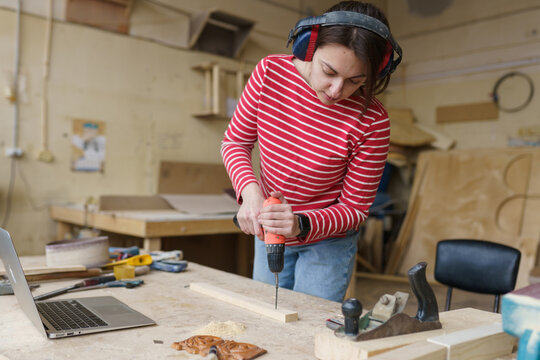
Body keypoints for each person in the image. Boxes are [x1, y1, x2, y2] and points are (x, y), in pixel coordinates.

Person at [221, 1, 401, 302]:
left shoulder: (373, 120)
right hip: (271, 227)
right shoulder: (269, 74)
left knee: (309, 325)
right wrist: (250, 194)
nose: (335, 91)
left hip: (328, 242)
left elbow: (354, 211)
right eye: (328, 71)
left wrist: (301, 224)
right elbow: (235, 142)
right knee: (266, 312)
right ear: (308, 46)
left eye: (356, 81)